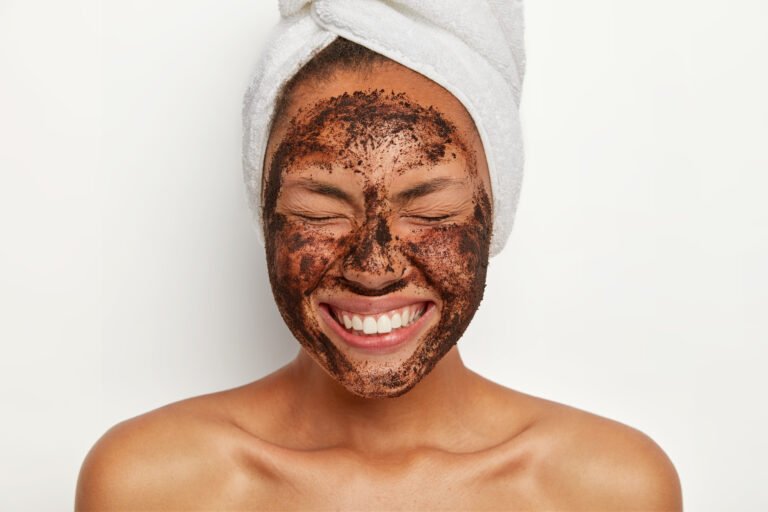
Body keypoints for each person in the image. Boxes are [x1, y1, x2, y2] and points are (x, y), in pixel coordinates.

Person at [76, 23, 682, 512]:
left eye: (432, 209)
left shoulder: (610, 490)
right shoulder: (151, 486)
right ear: (265, 212)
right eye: (318, 211)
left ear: (496, 213)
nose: (374, 265)